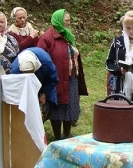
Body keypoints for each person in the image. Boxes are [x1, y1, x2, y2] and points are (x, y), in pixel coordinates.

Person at [37, 9, 88, 140]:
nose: (69, 23)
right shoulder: (46, 38)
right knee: (57, 106)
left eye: (69, 20)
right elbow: (42, 61)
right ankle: (58, 136)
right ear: (58, 20)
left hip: (71, 76)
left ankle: (67, 134)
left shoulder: (68, 35)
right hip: (57, 78)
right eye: (66, 20)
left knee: (70, 105)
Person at [105, 10, 133, 119]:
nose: (131, 31)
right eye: (128, 28)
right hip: (120, 84)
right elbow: (108, 63)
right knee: (119, 115)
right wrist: (119, 70)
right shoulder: (117, 42)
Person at [11, 47, 59, 121]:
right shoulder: (15, 70)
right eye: (26, 73)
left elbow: (53, 79)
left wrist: (44, 94)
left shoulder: (46, 62)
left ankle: (41, 124)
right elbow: (17, 89)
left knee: (46, 107)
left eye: (30, 72)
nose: (29, 76)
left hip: (44, 82)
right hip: (24, 87)